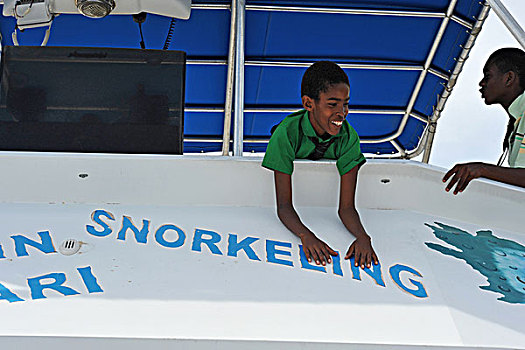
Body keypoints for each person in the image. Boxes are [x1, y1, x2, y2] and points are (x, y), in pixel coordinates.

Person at [262, 61, 378, 269]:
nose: (341, 112)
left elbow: (346, 208)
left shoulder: (349, 138)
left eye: (345, 104)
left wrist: (363, 237)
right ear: (308, 104)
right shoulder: (286, 134)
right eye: (332, 104)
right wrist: (307, 236)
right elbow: (284, 206)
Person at [443, 48, 525, 194]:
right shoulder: (516, 122)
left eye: (487, 77)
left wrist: (482, 169)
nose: (481, 83)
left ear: (509, 78)